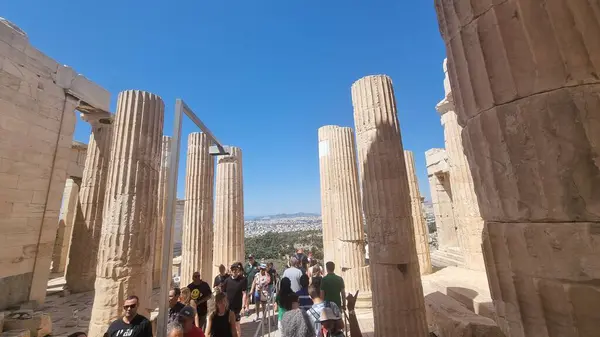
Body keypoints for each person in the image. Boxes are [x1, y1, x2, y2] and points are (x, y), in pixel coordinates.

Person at [221, 263, 247, 337]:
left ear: (238, 270)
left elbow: (244, 293)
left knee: (237, 325)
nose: (234, 271)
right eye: (233, 270)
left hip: (237, 307)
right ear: (231, 271)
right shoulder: (227, 281)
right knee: (228, 325)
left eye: (236, 270)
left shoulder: (242, 280)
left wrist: (243, 307)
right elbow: (223, 293)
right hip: (228, 307)